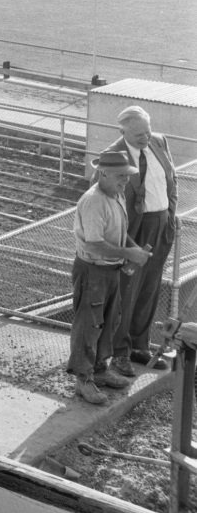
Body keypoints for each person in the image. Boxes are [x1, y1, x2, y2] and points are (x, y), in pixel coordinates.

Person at [98, 106, 179, 375]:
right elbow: (104, 203)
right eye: (138, 134)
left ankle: (139, 347)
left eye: (147, 131)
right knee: (126, 291)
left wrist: (170, 214)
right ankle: (119, 352)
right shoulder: (112, 156)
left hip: (161, 225)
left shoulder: (159, 141)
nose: (145, 137)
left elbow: (172, 180)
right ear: (123, 132)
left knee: (150, 288)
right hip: (132, 230)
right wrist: (127, 243)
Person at [68, 150, 151, 405]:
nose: (125, 181)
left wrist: (132, 251)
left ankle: (100, 371)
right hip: (92, 270)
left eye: (127, 176)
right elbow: (94, 245)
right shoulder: (94, 201)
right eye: (120, 176)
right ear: (103, 173)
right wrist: (129, 253)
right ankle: (83, 380)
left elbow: (119, 233)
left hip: (110, 269)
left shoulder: (117, 195)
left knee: (109, 320)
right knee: (89, 323)